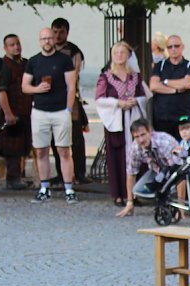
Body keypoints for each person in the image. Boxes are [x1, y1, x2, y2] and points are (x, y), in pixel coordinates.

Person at [22, 27, 77, 204]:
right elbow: (25, 86)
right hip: (39, 111)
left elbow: (71, 86)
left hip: (60, 111)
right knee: (41, 151)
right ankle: (44, 188)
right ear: (39, 41)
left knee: (64, 151)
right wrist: (37, 89)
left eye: (49, 38)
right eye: (43, 38)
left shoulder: (64, 60)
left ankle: (69, 189)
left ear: (54, 39)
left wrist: (68, 109)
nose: (46, 41)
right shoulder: (33, 61)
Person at [95, 41, 148, 207]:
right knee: (117, 156)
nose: (119, 55)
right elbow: (99, 99)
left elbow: (145, 95)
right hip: (117, 120)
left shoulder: (135, 76)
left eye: (122, 52)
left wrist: (136, 101)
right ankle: (118, 193)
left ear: (128, 55)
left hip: (133, 120)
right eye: (116, 52)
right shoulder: (106, 77)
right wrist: (117, 103)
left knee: (137, 155)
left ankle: (135, 193)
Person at [50, 18, 90, 186]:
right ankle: (61, 173)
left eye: (61, 32)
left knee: (75, 137)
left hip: (69, 98)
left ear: (67, 32)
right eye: (55, 31)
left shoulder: (74, 51)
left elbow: (74, 76)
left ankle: (79, 173)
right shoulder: (48, 50)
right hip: (51, 99)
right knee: (54, 138)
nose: (57, 35)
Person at [116, 118, 182, 217]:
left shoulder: (164, 142)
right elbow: (131, 173)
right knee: (138, 190)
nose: (141, 140)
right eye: (137, 137)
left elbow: (180, 172)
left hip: (176, 169)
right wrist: (130, 202)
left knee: (171, 183)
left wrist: (181, 208)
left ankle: (176, 200)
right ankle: (162, 196)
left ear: (150, 132)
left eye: (143, 135)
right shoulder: (134, 148)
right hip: (158, 170)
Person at [0, 34, 33, 192]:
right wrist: (8, 113)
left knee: (21, 146)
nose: (16, 47)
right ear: (6, 48)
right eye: (12, 45)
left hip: (25, 111)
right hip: (11, 112)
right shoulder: (5, 65)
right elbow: (2, 92)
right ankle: (12, 179)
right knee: (10, 147)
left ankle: (18, 176)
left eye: (17, 43)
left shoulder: (25, 64)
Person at [149, 35, 190, 139]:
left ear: (182, 47)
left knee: (183, 150)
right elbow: (153, 85)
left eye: (176, 46)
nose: (173, 49)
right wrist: (175, 90)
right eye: (170, 47)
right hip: (162, 118)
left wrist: (165, 81)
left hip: (183, 118)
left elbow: (188, 83)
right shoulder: (160, 65)